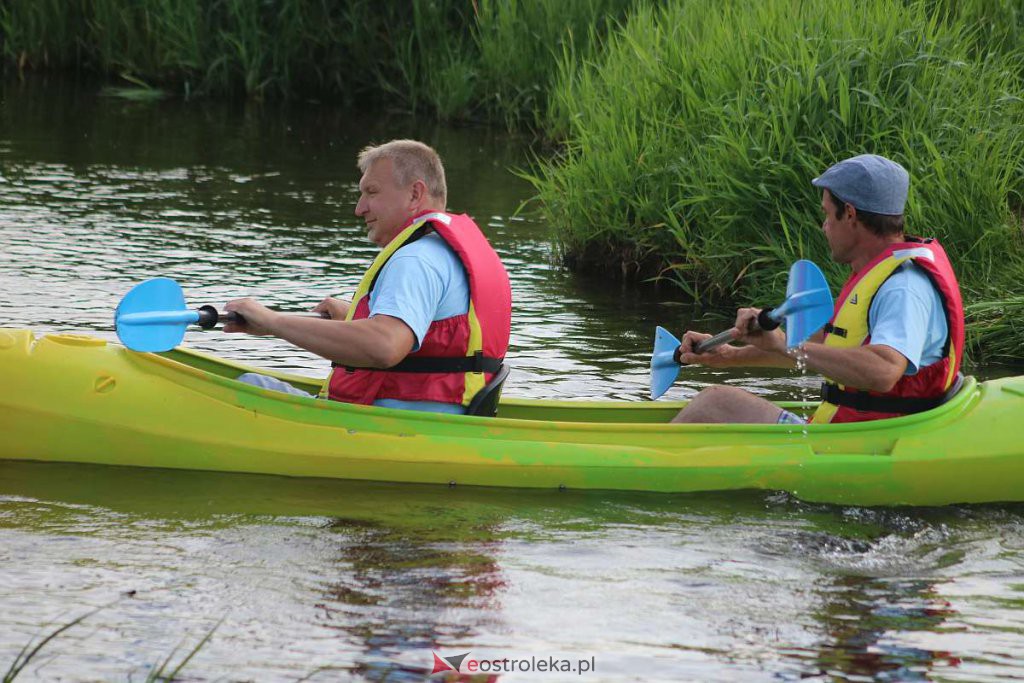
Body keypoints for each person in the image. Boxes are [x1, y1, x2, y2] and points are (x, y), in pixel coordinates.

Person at [671, 153, 964, 425]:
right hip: (853, 432)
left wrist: (786, 344)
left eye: (827, 214)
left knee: (715, 402)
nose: (824, 226)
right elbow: (823, 347)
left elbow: (885, 370)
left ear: (850, 214)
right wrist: (730, 355)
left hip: (870, 442)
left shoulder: (903, 288)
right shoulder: (878, 275)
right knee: (715, 403)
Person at [224, 139, 512, 414]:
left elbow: (385, 345)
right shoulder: (444, 253)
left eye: (372, 192)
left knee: (249, 386)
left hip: (386, 426)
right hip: (441, 418)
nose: (359, 208)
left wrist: (272, 321)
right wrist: (353, 318)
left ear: (415, 194)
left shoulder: (415, 259)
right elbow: (433, 337)